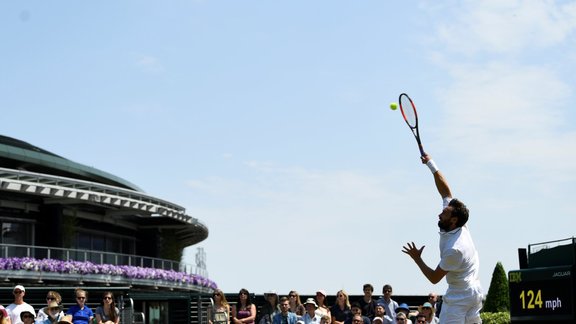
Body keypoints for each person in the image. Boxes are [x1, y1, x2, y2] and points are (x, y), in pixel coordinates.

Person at [402, 153, 483, 324]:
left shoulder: (455, 249)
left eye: (444, 213)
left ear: (453, 221)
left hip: (459, 298)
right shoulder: (459, 223)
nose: (439, 213)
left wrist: (418, 259)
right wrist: (431, 164)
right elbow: (445, 192)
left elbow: (434, 277)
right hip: (475, 293)